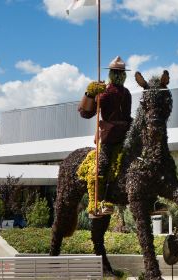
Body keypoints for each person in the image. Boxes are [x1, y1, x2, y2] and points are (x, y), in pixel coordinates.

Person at [78, 56, 132, 216]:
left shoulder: (127, 93)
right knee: (102, 165)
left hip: (127, 135)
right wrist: (90, 94)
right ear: (112, 74)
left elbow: (127, 116)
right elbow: (86, 113)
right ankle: (96, 203)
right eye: (116, 72)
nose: (118, 75)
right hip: (110, 136)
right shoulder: (105, 92)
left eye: (120, 72)